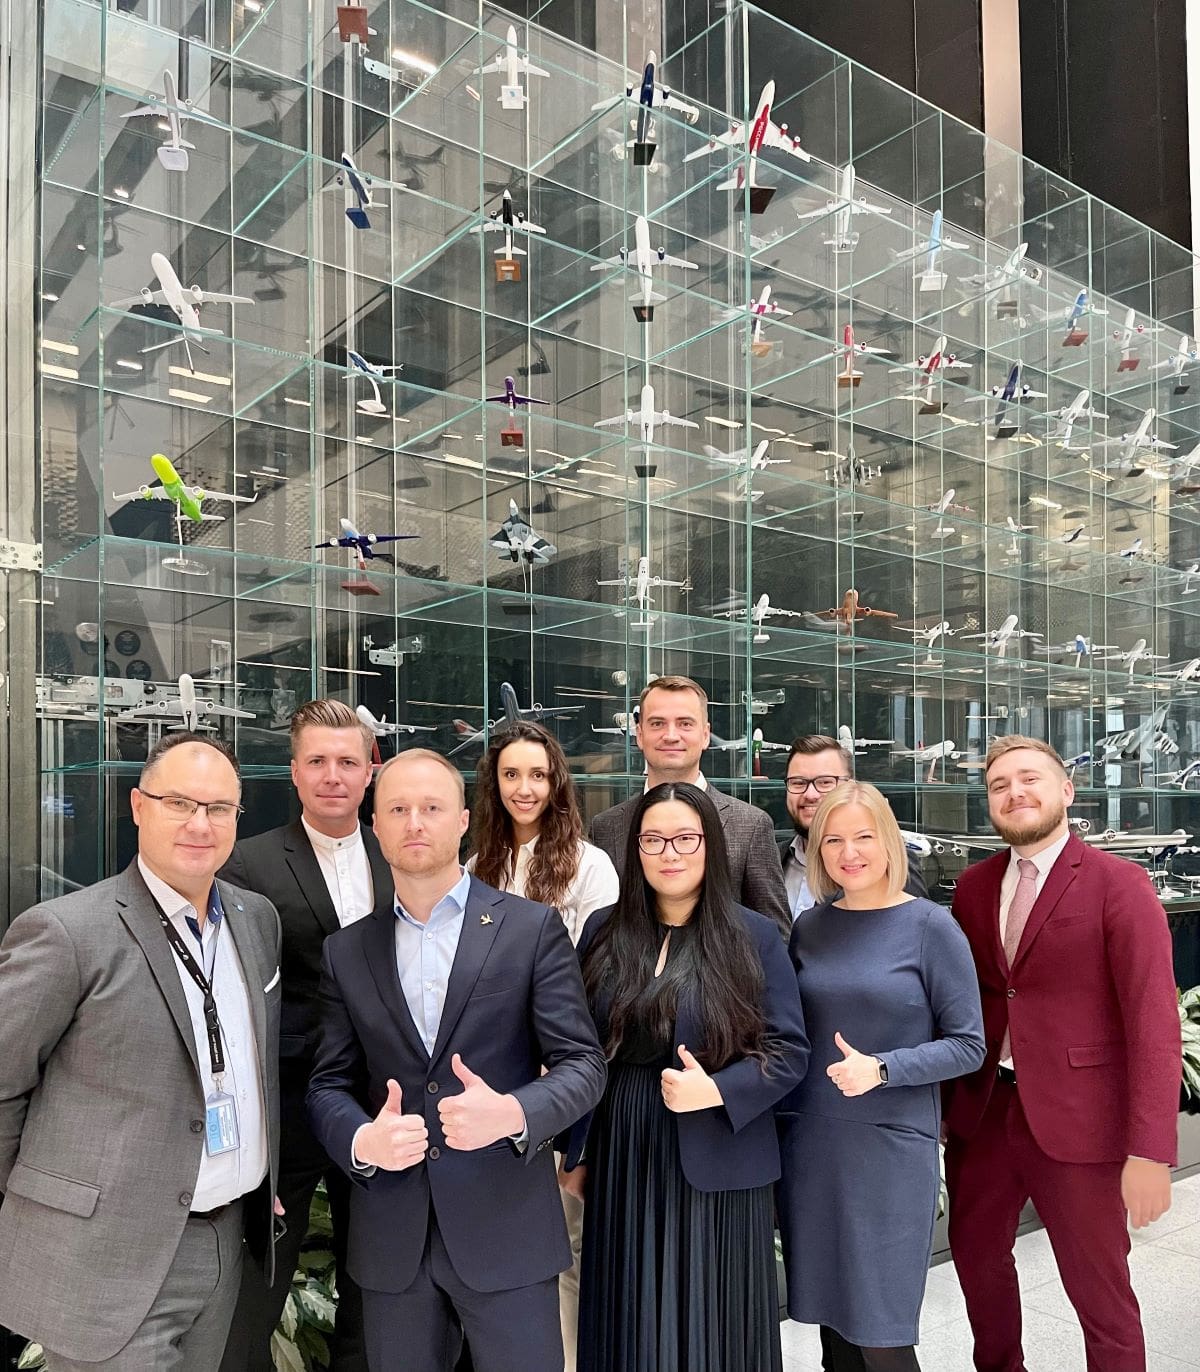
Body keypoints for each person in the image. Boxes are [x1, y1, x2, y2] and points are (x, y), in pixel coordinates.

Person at [307, 749, 607, 1372]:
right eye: (398, 809)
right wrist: (362, 1138)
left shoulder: (530, 929)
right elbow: (328, 1084)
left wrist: (514, 1113)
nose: (415, 822)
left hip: (507, 1230)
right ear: (376, 825)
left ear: (464, 820)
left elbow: (583, 1064)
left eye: (432, 807)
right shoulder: (347, 951)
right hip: (394, 1242)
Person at [0, 733, 281, 1371]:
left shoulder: (256, 919)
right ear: (137, 806)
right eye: (178, 803)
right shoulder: (68, 933)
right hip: (107, 1256)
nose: (199, 824)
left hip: (225, 1241)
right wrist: (48, 1205)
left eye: (219, 808)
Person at [944, 736, 1181, 1372]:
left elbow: (1154, 1025)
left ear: (1067, 792)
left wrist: (1150, 1150)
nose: (1015, 793)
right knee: (978, 1267)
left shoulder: (1119, 884)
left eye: (1030, 779)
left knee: (1101, 1294)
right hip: (985, 1115)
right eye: (999, 785)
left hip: (1081, 1122)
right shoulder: (973, 887)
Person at [567, 781, 809, 1372]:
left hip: (718, 1146)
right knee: (627, 1309)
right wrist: (577, 1151)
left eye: (684, 839)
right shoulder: (602, 930)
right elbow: (581, 1045)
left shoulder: (752, 935)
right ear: (635, 850)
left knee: (711, 1319)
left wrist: (718, 1089)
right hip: (623, 1147)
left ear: (710, 845)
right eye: (652, 840)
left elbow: (789, 1050)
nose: (668, 853)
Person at [777, 781, 984, 1372]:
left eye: (863, 837)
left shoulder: (930, 927)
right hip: (813, 1148)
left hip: (889, 1150)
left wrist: (884, 1068)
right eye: (833, 840)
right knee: (834, 1331)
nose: (849, 853)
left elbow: (968, 1045)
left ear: (889, 841)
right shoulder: (810, 927)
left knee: (881, 1332)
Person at [220, 700, 396, 1372]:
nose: (332, 775)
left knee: (372, 1283)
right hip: (288, 1108)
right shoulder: (248, 863)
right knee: (258, 1286)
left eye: (347, 761)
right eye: (317, 761)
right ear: (294, 772)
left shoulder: (398, 852)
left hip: (382, 1101)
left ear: (369, 770)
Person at [465, 721, 618, 1372]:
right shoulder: (476, 866)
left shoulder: (590, 866)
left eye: (537, 774)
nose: (524, 788)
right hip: (487, 1081)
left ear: (557, 782)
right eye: (511, 774)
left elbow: (602, 985)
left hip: (558, 1081)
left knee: (564, 1245)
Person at [589, 676, 790, 932]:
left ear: (705, 735)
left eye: (685, 724)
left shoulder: (751, 826)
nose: (671, 736)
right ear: (639, 735)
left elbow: (776, 935)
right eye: (657, 723)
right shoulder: (606, 827)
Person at [781, 735, 928, 919]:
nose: (810, 794)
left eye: (825, 782)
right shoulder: (770, 860)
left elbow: (914, 926)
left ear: (849, 787)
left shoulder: (886, 863)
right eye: (798, 783)